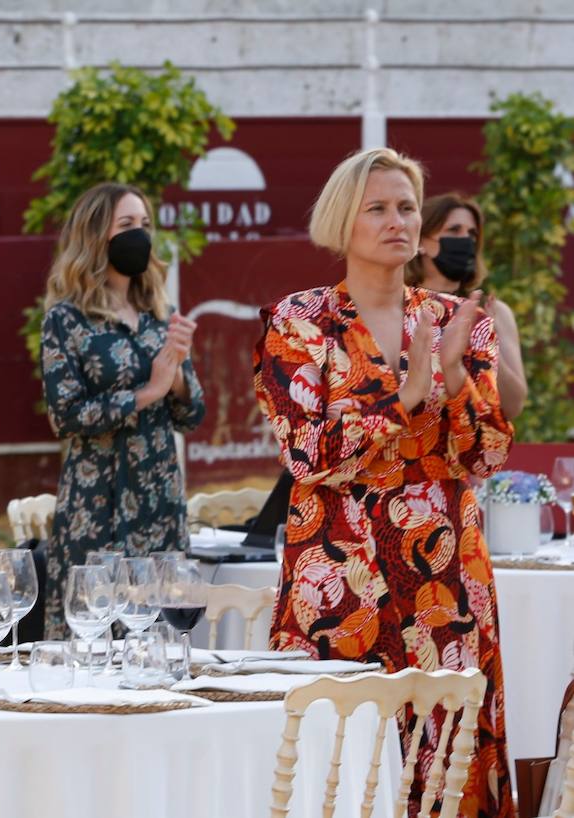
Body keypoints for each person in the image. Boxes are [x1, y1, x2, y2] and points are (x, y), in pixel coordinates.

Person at [254, 148, 514, 817]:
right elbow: (308, 456)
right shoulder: (298, 321)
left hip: (445, 577)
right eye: (378, 208)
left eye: (405, 207)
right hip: (339, 573)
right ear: (343, 221)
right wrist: (406, 395)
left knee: (446, 766)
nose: (397, 220)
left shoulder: (462, 319)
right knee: (336, 766)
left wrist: (453, 377)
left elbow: (484, 458)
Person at [39, 182, 205, 638]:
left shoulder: (158, 312)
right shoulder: (66, 319)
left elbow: (192, 415)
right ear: (96, 236)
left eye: (146, 225)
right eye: (127, 225)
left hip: (159, 500)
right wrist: (147, 391)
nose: (141, 236)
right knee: (97, 639)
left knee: (159, 640)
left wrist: (175, 380)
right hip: (98, 505)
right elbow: (66, 414)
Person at [405, 192, 526, 418]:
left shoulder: (494, 313)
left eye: (472, 234)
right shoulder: (396, 309)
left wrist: (488, 339)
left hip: (469, 446)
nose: (466, 240)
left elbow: (513, 407)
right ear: (420, 242)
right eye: (454, 230)